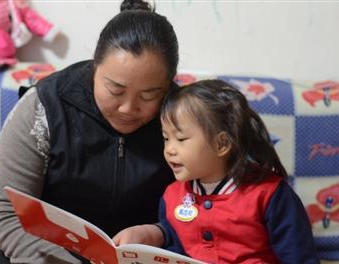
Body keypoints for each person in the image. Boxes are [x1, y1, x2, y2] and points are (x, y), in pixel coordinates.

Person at [0, 0, 178, 263]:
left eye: (149, 95)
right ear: (94, 68)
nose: (127, 108)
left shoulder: (186, 117)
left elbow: (214, 205)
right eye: (115, 90)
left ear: (169, 85)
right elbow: (6, 212)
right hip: (39, 252)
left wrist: (159, 233)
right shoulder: (45, 105)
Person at [114, 80, 320, 263]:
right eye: (166, 138)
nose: (169, 149)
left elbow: (298, 255)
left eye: (181, 139)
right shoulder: (173, 196)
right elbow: (176, 241)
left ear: (222, 143)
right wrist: (149, 233)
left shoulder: (270, 195)